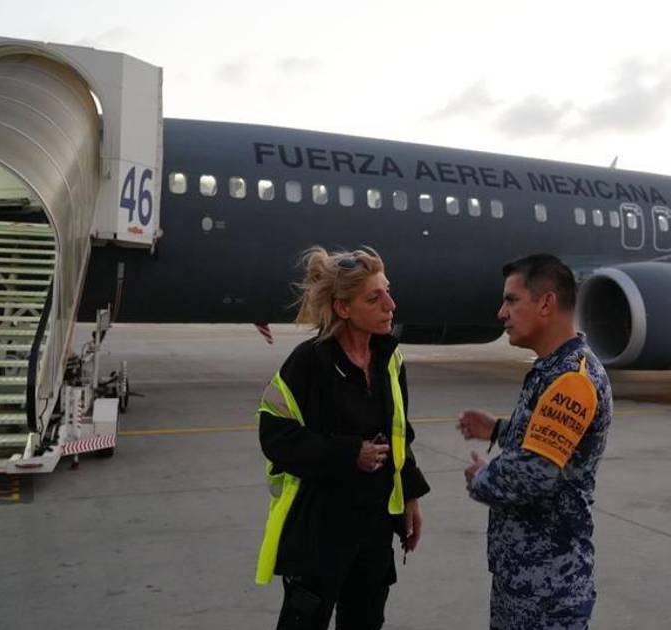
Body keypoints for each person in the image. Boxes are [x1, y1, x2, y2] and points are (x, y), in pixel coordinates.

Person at [256, 246, 429, 630]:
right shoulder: (309, 362)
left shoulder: (390, 360)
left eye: (387, 292)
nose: (390, 305)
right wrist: (349, 453)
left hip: (373, 526)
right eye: (374, 298)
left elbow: (400, 433)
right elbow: (275, 435)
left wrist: (410, 496)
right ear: (343, 308)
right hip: (320, 528)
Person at [458, 254, 613, 630]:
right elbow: (550, 439)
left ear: (546, 303)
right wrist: (498, 429)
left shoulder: (572, 379)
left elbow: (533, 474)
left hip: (548, 589)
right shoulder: (555, 370)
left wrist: (481, 478)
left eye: (512, 300)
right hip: (527, 578)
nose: (502, 313)